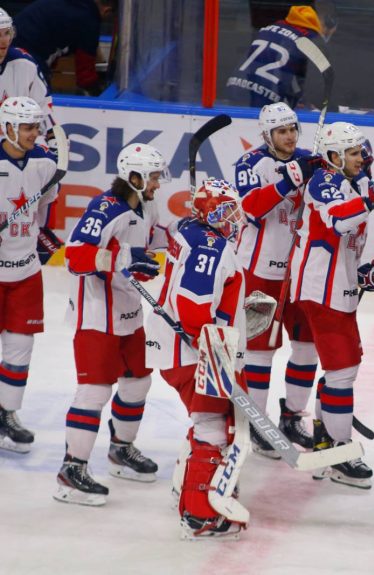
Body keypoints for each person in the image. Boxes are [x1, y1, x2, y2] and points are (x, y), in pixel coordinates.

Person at [289, 121, 374, 489]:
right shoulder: (323, 181)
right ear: (334, 156)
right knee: (342, 371)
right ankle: (339, 453)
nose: (363, 158)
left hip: (337, 287)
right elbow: (340, 219)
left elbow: (372, 189)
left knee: (341, 369)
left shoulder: (352, 181)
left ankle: (325, 440)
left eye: (362, 152)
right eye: (355, 153)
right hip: (321, 290)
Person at [55, 143, 169, 507]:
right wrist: (126, 258)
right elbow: (75, 257)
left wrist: (194, 230)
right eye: (153, 177)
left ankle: (120, 450)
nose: (158, 184)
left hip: (129, 310)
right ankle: (71, 471)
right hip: (96, 315)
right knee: (94, 392)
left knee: (138, 382)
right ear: (134, 177)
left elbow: (159, 237)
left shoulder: (147, 206)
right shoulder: (104, 208)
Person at [146, 178, 249, 539]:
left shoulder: (189, 229)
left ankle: (186, 487)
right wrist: (210, 346)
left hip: (180, 346)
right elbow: (192, 303)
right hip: (195, 351)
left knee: (207, 421)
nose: (233, 218)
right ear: (208, 212)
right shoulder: (211, 246)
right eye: (225, 211)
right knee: (212, 426)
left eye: (234, 210)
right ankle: (199, 515)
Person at [233, 102, 322, 457]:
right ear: (267, 135)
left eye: (292, 129)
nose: (289, 137)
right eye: (281, 131)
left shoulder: (308, 160)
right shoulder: (250, 163)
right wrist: (289, 180)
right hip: (260, 272)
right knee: (260, 350)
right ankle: (257, 425)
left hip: (301, 272)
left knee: (307, 346)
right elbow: (250, 209)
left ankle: (292, 417)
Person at [0, 96, 58, 453]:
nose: (34, 133)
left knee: (21, 346)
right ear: (7, 127)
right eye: (26, 127)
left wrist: (41, 240)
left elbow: (45, 209)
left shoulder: (45, 163)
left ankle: (6, 413)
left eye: (36, 127)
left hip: (25, 270)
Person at [224, 4, 337, 108]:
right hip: (265, 104)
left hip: (233, 91)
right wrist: (334, 110)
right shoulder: (314, 40)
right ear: (328, 25)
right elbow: (318, 93)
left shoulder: (270, 27)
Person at [12, 0, 116, 96]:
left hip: (12, 37)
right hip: (29, 53)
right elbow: (85, 75)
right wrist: (97, 92)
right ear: (106, 11)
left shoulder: (73, 6)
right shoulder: (89, 20)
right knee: (39, 97)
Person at [0, 6, 56, 145]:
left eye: (7, 33)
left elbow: (43, 108)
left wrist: (53, 135)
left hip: (14, 147)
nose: (4, 40)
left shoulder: (25, 64)